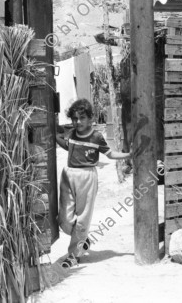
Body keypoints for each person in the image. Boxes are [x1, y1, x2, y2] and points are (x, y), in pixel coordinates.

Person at [56, 98, 131, 268]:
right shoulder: (72, 133)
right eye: (74, 118)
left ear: (90, 118)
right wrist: (56, 136)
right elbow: (68, 146)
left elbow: (110, 154)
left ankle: (74, 255)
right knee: (64, 220)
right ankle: (82, 239)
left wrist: (128, 155)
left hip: (87, 177)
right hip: (68, 175)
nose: (78, 122)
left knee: (83, 217)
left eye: (82, 118)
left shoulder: (97, 137)